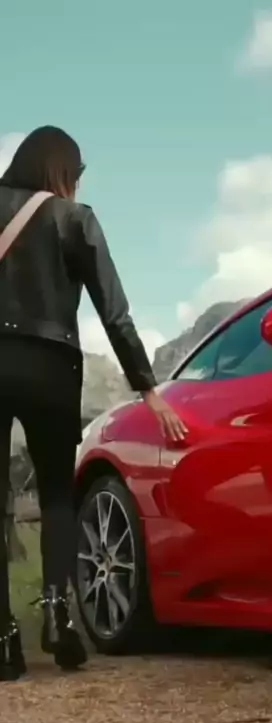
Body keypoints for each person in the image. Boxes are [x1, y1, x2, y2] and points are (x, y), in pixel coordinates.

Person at [0, 125, 187, 681]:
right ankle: (59, 618)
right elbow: (115, 312)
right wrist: (148, 389)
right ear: (64, 172)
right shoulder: (74, 219)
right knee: (58, 495)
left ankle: (4, 639)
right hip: (52, 367)